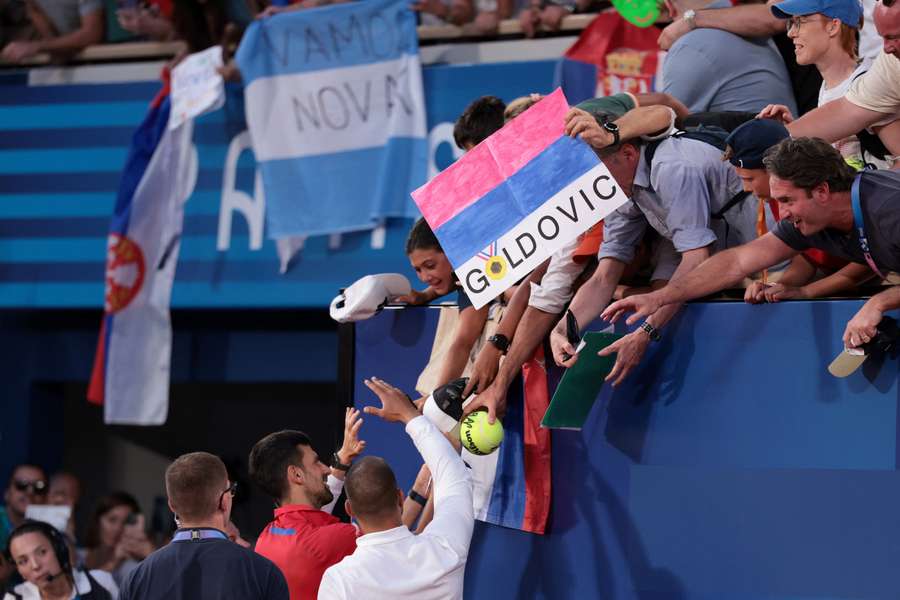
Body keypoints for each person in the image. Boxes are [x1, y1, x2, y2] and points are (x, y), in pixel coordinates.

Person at [602, 137, 900, 349]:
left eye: (787, 201)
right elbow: (736, 262)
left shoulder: (889, 208)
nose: (782, 214)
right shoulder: (810, 220)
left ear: (821, 191)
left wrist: (880, 302)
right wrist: (660, 297)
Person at [318, 378, 473, 600]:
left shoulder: (340, 581)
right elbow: (454, 475)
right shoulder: (445, 549)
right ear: (400, 498)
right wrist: (408, 416)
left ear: (350, 510)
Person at [725, 119, 874, 303]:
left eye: (749, 179)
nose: (746, 188)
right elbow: (810, 256)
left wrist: (807, 291)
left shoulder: (815, 192)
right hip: (837, 277)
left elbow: (869, 261)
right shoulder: (780, 198)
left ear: (772, 170)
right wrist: (779, 288)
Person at [118, 452, 288, 600]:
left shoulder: (136, 579)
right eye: (231, 490)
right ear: (223, 501)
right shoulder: (263, 573)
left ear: (172, 506)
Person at [758, 0, 900, 169]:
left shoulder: (871, 81)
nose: (790, 33)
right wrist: (792, 131)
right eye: (791, 23)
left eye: (800, 22)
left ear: (833, 26)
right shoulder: (829, 86)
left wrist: (869, 194)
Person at [251, 408, 365, 600]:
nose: (325, 470)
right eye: (316, 462)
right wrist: (421, 487)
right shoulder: (336, 538)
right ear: (296, 474)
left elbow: (308, 529)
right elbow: (391, 541)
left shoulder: (265, 540)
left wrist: (342, 459)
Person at [659, 0, 798, 114]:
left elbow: (663, 124)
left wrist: (690, 19)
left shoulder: (690, 46)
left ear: (669, 6)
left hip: (755, 145)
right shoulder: (752, 31)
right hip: (790, 141)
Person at [5, 520, 113, 600]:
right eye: (23, 561)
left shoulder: (100, 581)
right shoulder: (15, 597)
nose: (35, 565)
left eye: (42, 552)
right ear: (19, 571)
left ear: (59, 551)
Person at [81, 492, 153, 588]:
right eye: (112, 520)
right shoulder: (76, 556)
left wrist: (153, 553)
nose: (118, 528)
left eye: (125, 522)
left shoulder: (131, 569)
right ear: (97, 521)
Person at [0, 0, 103, 64]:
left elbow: (92, 34)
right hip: (57, 65)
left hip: (97, 61)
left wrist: (37, 46)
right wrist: (54, 46)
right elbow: (34, 9)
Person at [1, 465, 47, 552]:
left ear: (45, 497)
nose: (30, 492)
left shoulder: (47, 530)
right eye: (21, 485)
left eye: (39, 487)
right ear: (7, 492)